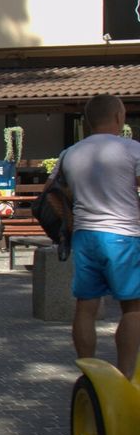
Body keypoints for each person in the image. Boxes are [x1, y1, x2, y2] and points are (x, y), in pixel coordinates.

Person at [57, 93, 140, 380]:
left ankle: (88, 372)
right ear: (120, 116)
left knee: (86, 305)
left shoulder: (70, 153)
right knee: (133, 307)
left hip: (85, 236)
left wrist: (70, 222)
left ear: (87, 121)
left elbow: (53, 193)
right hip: (123, 236)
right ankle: (126, 376)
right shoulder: (132, 149)